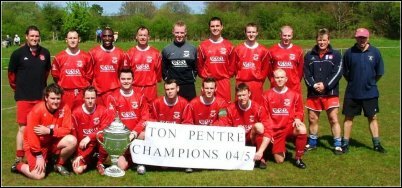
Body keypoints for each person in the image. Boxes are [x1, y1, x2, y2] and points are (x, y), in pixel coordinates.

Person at [11, 83, 77, 179]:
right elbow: (31, 136)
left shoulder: (64, 108)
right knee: (39, 175)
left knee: (72, 140)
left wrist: (50, 131)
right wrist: (38, 155)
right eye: (53, 98)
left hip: (51, 140)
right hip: (36, 145)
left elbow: (67, 129)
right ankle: (18, 166)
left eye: (58, 98)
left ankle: (58, 164)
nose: (56, 101)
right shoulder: (37, 111)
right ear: (46, 98)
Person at [8, 25, 51, 170]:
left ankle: (39, 155)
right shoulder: (17, 54)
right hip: (24, 98)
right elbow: (11, 77)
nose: (34, 38)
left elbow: (46, 74)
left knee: (39, 129)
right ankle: (19, 157)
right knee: (23, 129)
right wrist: (20, 89)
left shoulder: (45, 53)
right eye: (32, 36)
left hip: (40, 98)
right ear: (26, 36)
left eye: (37, 36)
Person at [341, 28, 386, 153]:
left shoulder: (375, 52)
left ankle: (377, 144)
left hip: (370, 92)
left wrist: (370, 83)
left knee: (372, 117)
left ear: (368, 38)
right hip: (352, 92)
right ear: (356, 38)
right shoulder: (349, 53)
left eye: (364, 37)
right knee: (348, 118)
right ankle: (345, 144)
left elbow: (379, 73)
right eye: (359, 37)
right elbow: (345, 72)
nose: (361, 40)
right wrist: (354, 82)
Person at [303, 28, 343, 154]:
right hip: (313, 93)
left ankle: (337, 144)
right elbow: (306, 74)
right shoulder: (309, 55)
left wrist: (325, 85)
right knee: (313, 119)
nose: (322, 42)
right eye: (319, 40)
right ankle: (313, 142)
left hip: (330, 93)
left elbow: (337, 73)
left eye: (324, 40)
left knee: (333, 118)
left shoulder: (336, 54)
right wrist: (314, 85)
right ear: (316, 40)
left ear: (328, 40)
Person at [213, 83, 272, 169]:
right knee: (237, 130)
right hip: (238, 139)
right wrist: (235, 130)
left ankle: (260, 157)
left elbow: (268, 130)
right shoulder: (230, 109)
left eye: (244, 95)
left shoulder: (258, 108)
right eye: (239, 95)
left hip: (252, 138)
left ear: (249, 94)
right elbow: (225, 126)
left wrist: (261, 151)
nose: (242, 98)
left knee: (259, 126)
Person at [105, 68, 150, 174]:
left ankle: (140, 161)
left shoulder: (140, 97)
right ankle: (122, 157)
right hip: (120, 137)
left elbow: (145, 118)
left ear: (133, 80)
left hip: (134, 135)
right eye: (123, 79)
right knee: (123, 166)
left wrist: (134, 133)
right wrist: (123, 136)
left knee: (146, 135)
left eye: (129, 79)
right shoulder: (112, 97)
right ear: (119, 80)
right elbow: (111, 120)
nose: (126, 81)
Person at [262, 68, 308, 169]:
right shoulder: (266, 95)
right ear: (273, 79)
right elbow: (265, 116)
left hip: (289, 127)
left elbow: (300, 110)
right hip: (274, 130)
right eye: (277, 77)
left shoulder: (295, 94)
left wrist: (298, 118)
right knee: (279, 161)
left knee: (302, 128)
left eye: (282, 77)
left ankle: (298, 158)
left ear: (286, 79)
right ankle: (272, 147)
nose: (280, 80)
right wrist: (269, 132)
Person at [150, 79, 192, 172]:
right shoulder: (156, 103)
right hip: (161, 137)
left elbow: (187, 123)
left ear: (177, 88)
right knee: (164, 167)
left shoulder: (184, 103)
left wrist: (176, 133)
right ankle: (144, 162)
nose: (169, 91)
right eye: (167, 89)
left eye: (172, 89)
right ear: (165, 90)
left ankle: (186, 162)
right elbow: (152, 121)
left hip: (177, 137)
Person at [71, 86, 114, 175]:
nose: (90, 101)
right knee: (78, 170)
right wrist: (79, 155)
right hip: (84, 147)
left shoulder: (103, 110)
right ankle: (91, 159)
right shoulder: (76, 113)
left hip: (97, 143)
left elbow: (104, 129)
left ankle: (100, 162)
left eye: (92, 98)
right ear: (83, 98)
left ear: (96, 98)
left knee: (104, 135)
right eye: (87, 98)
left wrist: (89, 137)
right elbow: (74, 136)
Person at [268, 25, 304, 120]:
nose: (286, 38)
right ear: (280, 35)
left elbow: (300, 71)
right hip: (277, 86)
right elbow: (269, 71)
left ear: (292, 35)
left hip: (293, 86)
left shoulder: (298, 50)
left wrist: (294, 80)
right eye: (284, 35)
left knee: (294, 111)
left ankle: (294, 132)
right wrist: (275, 81)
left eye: (288, 36)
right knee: (277, 110)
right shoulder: (272, 50)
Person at [51, 29, 93, 110]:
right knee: (65, 119)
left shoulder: (86, 57)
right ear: (66, 40)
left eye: (75, 38)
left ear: (79, 39)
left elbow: (89, 76)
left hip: (81, 93)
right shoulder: (59, 57)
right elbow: (56, 76)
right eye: (70, 38)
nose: (72, 40)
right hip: (64, 94)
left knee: (81, 119)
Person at [197, 16, 235, 103]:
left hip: (223, 82)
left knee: (224, 109)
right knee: (207, 107)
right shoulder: (202, 46)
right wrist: (207, 77)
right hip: (208, 82)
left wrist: (224, 75)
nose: (215, 28)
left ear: (222, 27)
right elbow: (200, 65)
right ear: (209, 28)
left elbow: (232, 67)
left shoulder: (229, 46)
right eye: (213, 26)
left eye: (217, 26)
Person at [89, 27, 128, 106]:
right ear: (101, 37)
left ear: (113, 38)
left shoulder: (120, 53)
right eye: (105, 36)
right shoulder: (93, 53)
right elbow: (89, 73)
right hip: (98, 92)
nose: (107, 38)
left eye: (109, 36)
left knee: (115, 117)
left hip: (115, 92)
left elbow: (122, 73)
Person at [233, 23, 270, 104]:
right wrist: (241, 76)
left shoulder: (263, 51)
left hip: (256, 84)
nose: (251, 34)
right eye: (249, 32)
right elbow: (235, 68)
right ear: (245, 33)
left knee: (256, 108)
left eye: (253, 32)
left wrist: (258, 81)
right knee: (239, 108)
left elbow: (265, 69)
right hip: (241, 83)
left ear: (257, 33)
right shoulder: (237, 49)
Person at [162, 21, 198, 102]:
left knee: (190, 110)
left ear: (185, 32)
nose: (179, 35)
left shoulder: (192, 49)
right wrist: (168, 79)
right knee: (173, 111)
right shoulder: (166, 49)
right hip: (172, 86)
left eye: (182, 32)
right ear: (173, 32)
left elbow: (196, 67)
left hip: (188, 85)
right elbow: (164, 69)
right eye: (177, 32)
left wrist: (190, 78)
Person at [126, 26, 162, 107]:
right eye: (140, 35)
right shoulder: (129, 53)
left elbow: (158, 73)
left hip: (150, 89)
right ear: (136, 36)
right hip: (135, 88)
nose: (142, 37)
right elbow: (126, 73)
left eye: (145, 35)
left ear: (148, 37)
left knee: (152, 112)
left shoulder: (156, 53)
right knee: (135, 111)